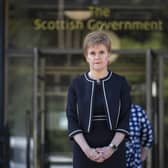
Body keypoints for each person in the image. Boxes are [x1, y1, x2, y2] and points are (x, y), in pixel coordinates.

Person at [66, 31, 131, 168]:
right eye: (92, 53)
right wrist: (87, 151)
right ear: (86, 57)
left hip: (114, 150)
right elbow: (71, 119)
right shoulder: (76, 84)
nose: (97, 57)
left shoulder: (120, 83)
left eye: (101, 52)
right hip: (83, 151)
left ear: (108, 55)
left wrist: (111, 149)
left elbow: (125, 119)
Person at [126, 104, 153, 168]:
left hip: (133, 163)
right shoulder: (108, 109)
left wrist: (141, 157)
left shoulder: (137, 110)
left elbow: (148, 136)